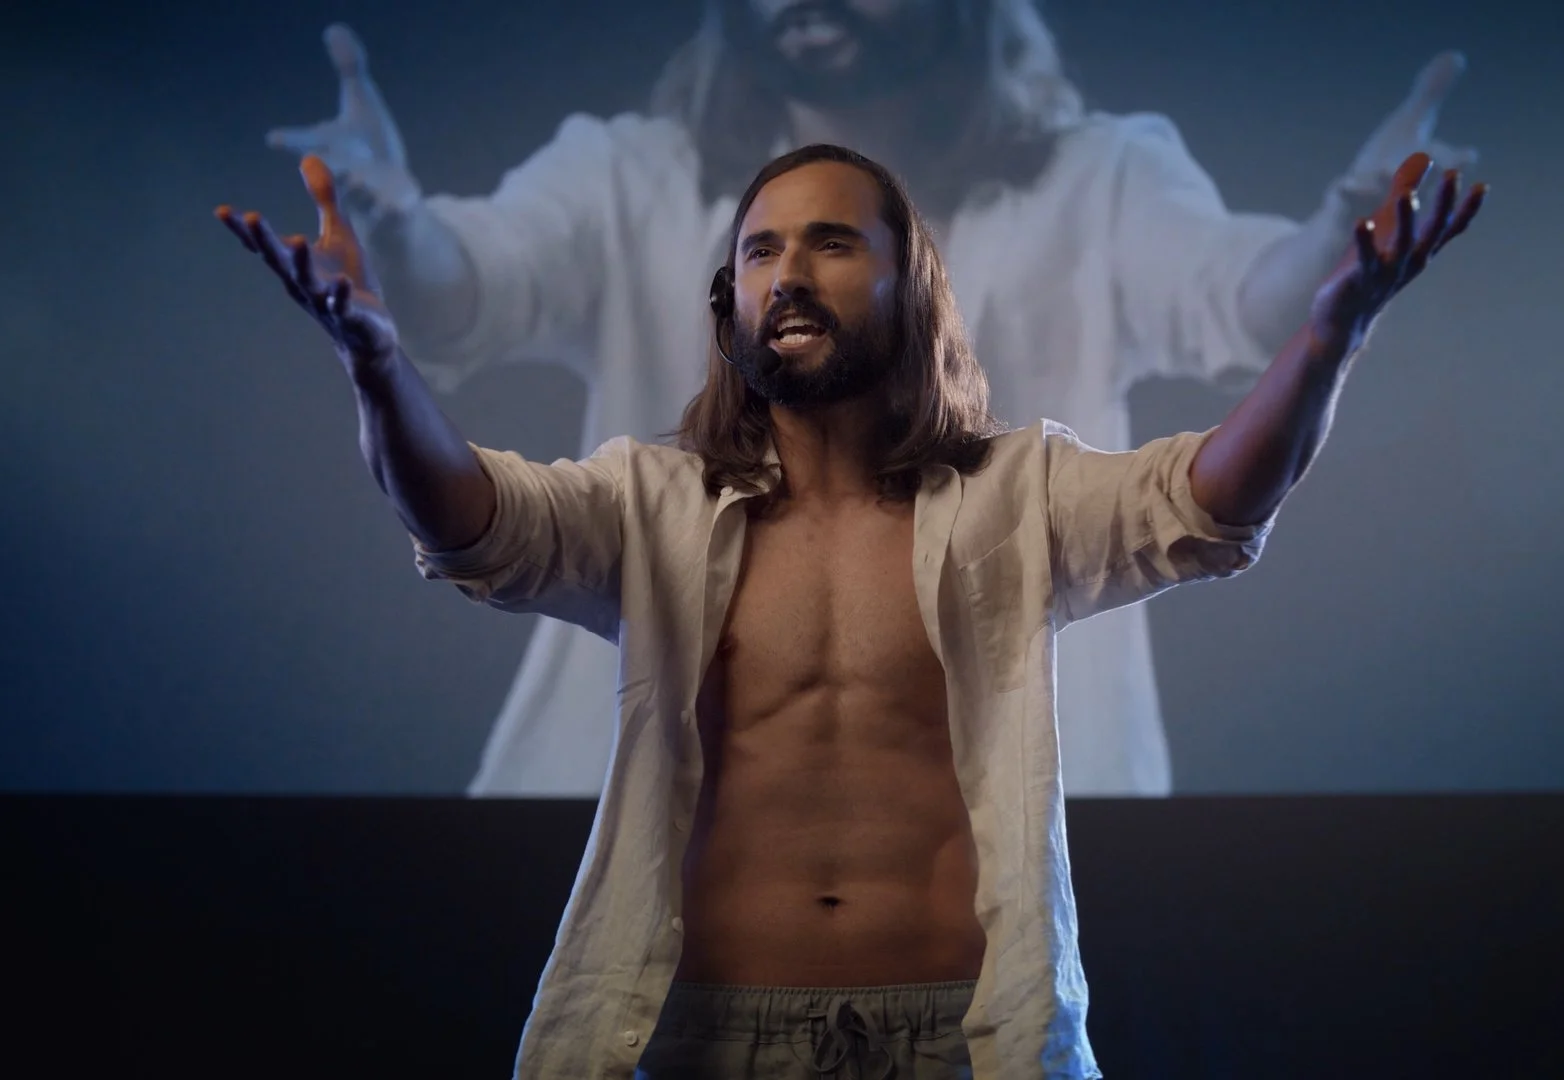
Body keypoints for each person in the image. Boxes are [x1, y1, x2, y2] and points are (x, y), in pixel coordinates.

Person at [215, 140, 1483, 1076]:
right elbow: (471, 521)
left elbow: (1205, 502)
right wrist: (376, 364)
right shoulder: (649, 503)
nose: (787, 273)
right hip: (703, 1036)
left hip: (963, 1036)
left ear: (909, 285)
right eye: (759, 250)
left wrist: (1328, 341)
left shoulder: (1016, 496)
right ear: (730, 299)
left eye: (830, 242)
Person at [263, 0, 1480, 797]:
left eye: (838, 243)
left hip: (1032, 843)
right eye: (761, 252)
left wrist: (1341, 269)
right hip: (605, 811)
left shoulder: (1094, 192)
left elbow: (1247, 322)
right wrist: (387, 246)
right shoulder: (631, 188)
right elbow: (463, 305)